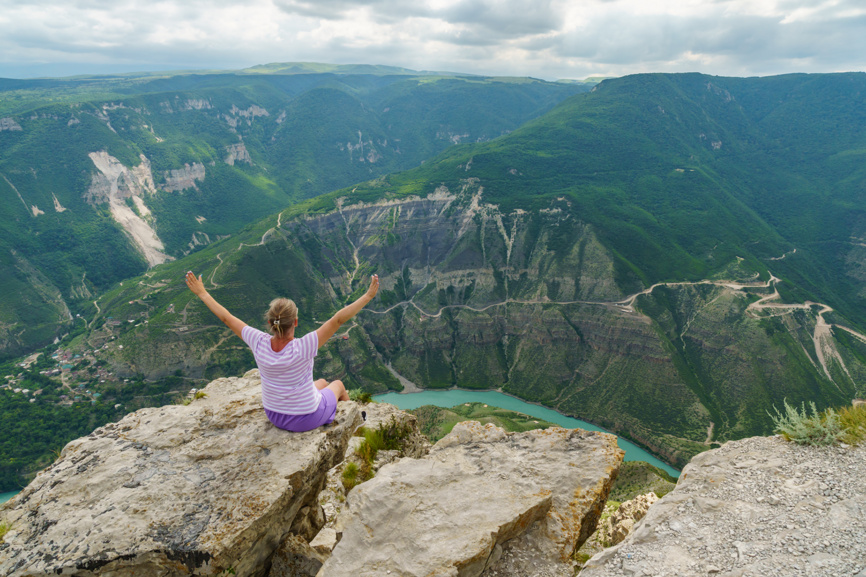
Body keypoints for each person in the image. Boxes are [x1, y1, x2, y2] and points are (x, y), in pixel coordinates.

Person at [185, 270, 379, 432]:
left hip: (274, 415)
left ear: (270, 323)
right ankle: (358, 423)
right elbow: (338, 320)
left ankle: (337, 409)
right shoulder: (304, 346)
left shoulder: (257, 341)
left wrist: (202, 293)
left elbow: (226, 318)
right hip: (306, 418)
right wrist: (368, 296)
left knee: (320, 383)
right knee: (337, 384)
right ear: (295, 322)